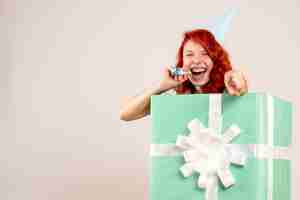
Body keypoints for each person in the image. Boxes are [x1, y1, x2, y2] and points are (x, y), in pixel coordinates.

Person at [120, 29, 248, 121]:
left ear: (215, 60)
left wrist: (239, 83)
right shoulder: (175, 95)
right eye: (189, 54)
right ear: (182, 62)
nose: (197, 60)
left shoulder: (227, 89)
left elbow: (240, 89)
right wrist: (160, 87)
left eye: (205, 53)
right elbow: (126, 114)